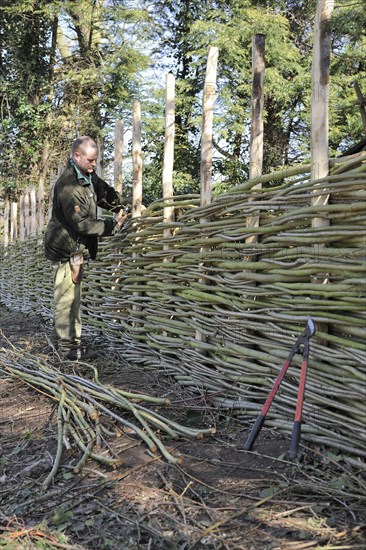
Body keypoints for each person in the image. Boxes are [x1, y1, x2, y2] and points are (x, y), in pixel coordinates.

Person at [44, 136, 128, 360]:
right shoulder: (67, 185)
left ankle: (69, 342)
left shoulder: (87, 176)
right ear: (76, 156)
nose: (94, 164)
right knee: (67, 299)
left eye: (96, 160)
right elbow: (81, 223)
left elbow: (104, 193)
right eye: (90, 160)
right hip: (65, 249)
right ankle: (68, 349)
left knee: (73, 298)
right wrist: (113, 225)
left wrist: (120, 205)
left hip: (76, 248)